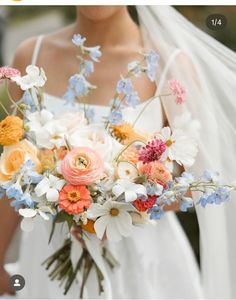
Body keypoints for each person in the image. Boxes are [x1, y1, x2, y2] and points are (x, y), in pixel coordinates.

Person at [0, 5, 236, 298]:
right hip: (50, 250)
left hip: (140, 256)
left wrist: (119, 199)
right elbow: (12, 170)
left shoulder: (170, 64)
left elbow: (196, 182)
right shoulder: (31, 55)